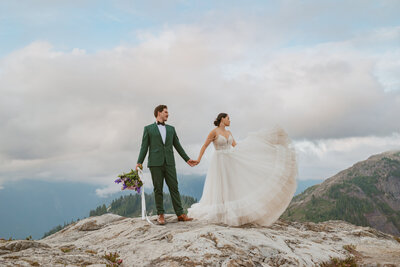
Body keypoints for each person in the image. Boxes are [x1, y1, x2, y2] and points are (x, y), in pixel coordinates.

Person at [187, 113, 298, 226]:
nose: (230, 120)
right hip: (219, 161)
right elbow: (205, 145)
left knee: (230, 184)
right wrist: (199, 159)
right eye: (228, 118)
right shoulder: (214, 132)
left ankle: (228, 211)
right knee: (220, 184)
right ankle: (219, 211)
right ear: (222, 119)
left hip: (230, 161)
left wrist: (252, 150)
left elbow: (236, 146)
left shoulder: (229, 133)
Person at [136, 105, 197, 225]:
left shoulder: (171, 129)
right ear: (159, 113)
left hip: (169, 163)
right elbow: (144, 147)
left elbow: (178, 146)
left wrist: (187, 159)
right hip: (155, 163)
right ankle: (161, 215)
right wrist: (139, 162)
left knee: (174, 187)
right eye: (165, 112)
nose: (168, 114)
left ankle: (180, 214)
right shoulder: (148, 129)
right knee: (158, 189)